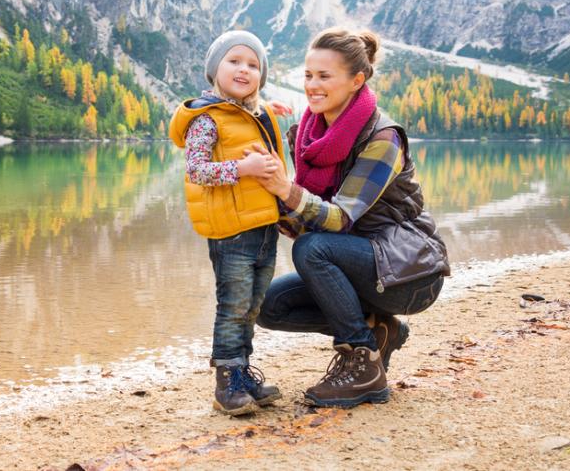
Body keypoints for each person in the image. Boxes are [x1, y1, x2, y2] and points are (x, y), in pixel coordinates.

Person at [252, 26, 450, 409]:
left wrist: (285, 190)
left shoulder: (383, 138)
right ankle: (379, 333)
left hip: (410, 272)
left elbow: (339, 219)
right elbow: (305, 219)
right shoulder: (307, 136)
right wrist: (268, 199)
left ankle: (362, 364)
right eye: (308, 75)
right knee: (268, 306)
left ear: (357, 80)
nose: (313, 85)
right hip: (363, 263)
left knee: (313, 249)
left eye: (325, 76)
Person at [168, 30, 287, 416]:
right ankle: (226, 382)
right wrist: (244, 168)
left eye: (253, 65)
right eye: (234, 61)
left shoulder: (254, 113)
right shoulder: (206, 119)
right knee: (233, 306)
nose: (244, 69)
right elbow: (198, 170)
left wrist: (271, 112)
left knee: (252, 306)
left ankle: (243, 374)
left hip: (264, 227)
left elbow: (252, 129)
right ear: (214, 70)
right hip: (231, 232)